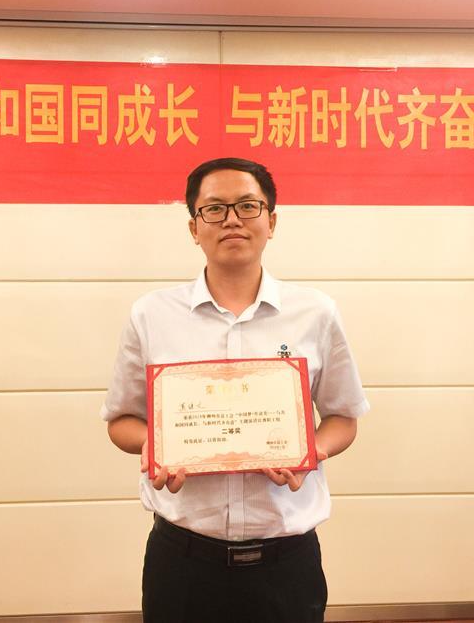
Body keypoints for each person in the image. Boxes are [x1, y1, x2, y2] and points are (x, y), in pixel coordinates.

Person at [101, 157, 369, 623]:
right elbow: (122, 420)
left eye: (247, 206)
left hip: (286, 563)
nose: (232, 220)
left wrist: (310, 452)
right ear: (194, 227)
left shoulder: (315, 312)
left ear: (271, 222)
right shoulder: (152, 314)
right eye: (215, 209)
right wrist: (157, 447)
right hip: (182, 562)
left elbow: (343, 417)